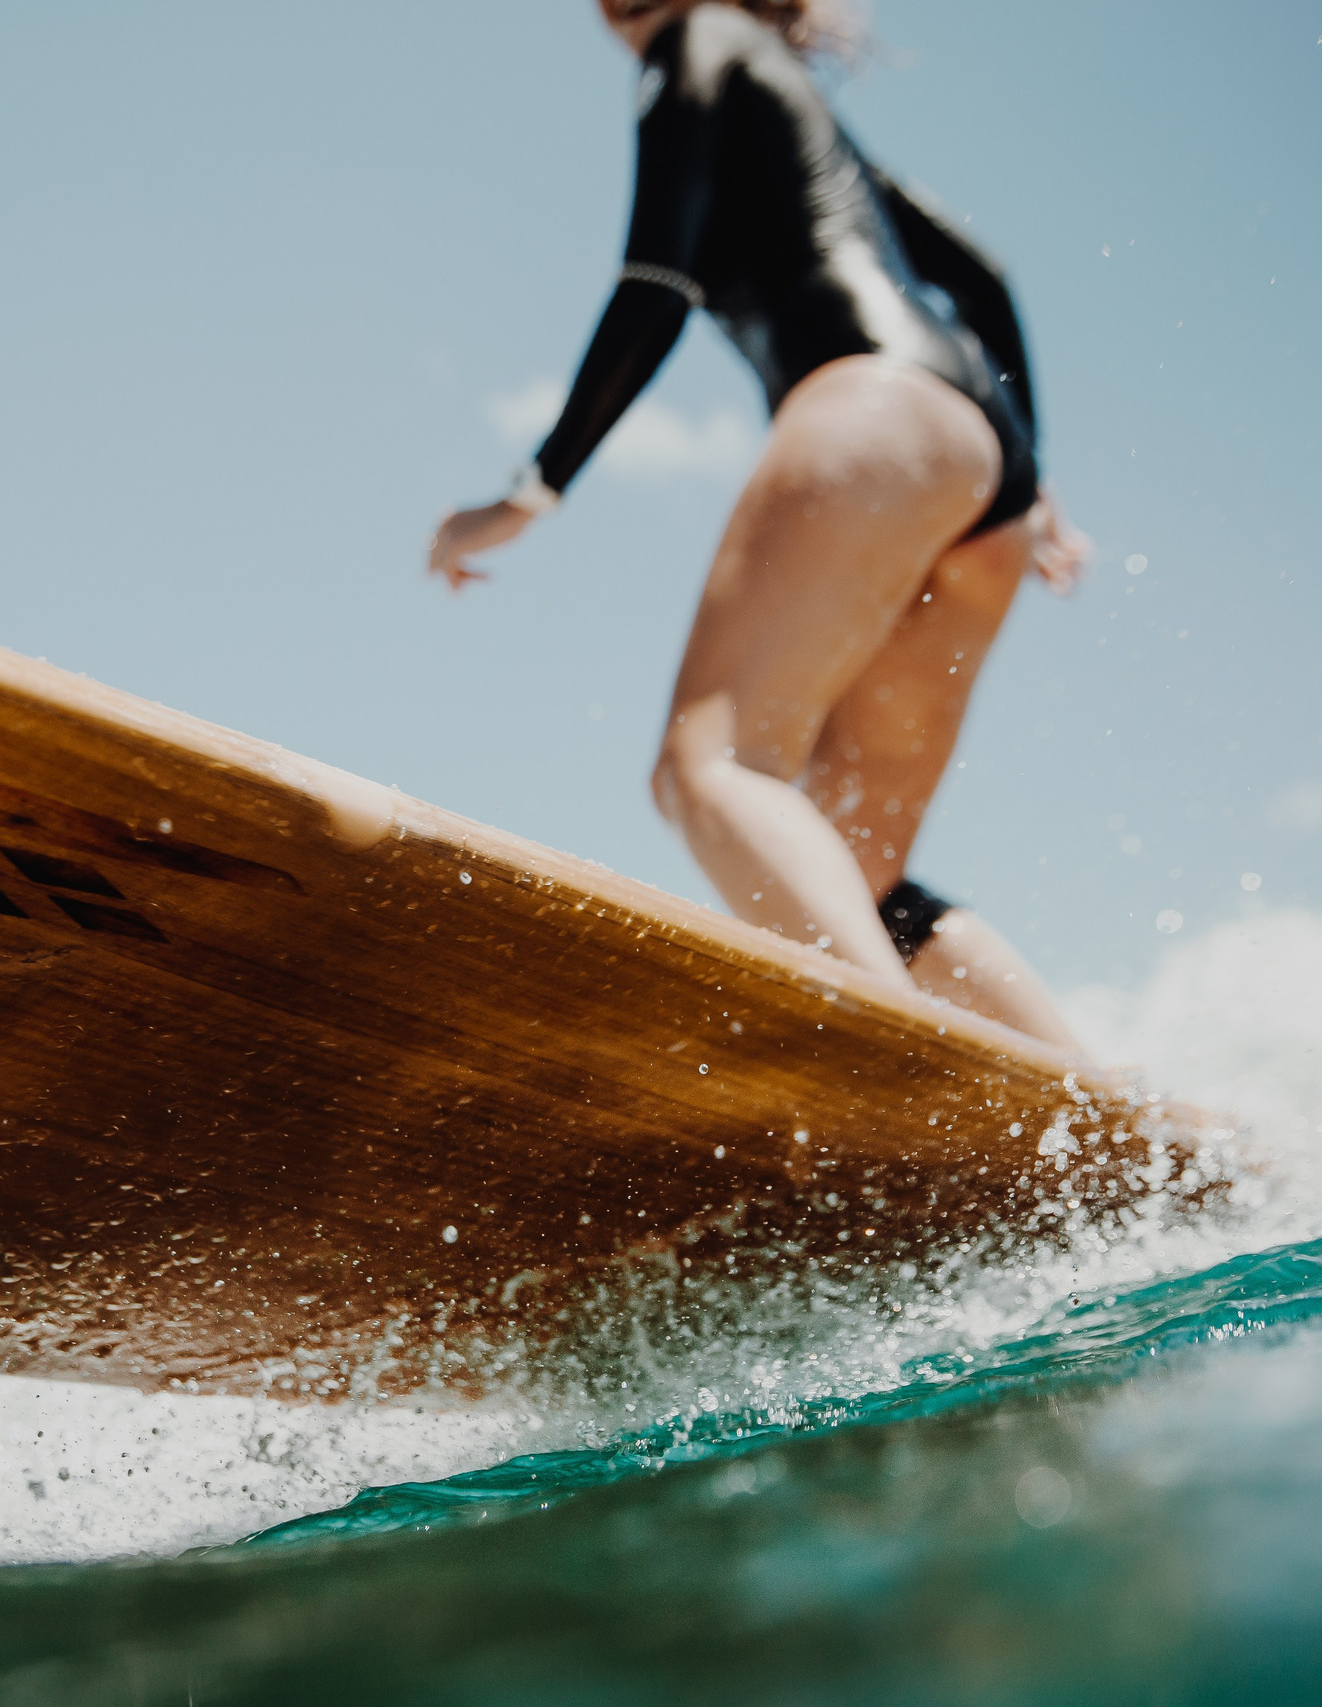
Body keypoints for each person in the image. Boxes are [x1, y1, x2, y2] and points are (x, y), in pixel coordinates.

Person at [428, 0, 1090, 1053]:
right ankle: (1100, 1135)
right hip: (977, 460)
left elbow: (656, 279)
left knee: (712, 765)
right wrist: (1032, 472)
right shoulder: (795, 99)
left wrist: (530, 489)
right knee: (849, 865)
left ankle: (902, 1077)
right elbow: (984, 275)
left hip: (877, 408)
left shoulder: (695, 41)